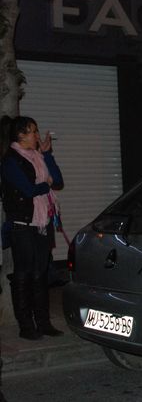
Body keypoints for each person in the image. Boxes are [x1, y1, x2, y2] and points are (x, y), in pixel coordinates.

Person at [0, 115, 64, 340]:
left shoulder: (39, 156)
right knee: (24, 275)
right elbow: (28, 190)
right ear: (21, 135)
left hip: (43, 223)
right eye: (33, 131)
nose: (38, 135)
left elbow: (57, 181)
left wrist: (47, 154)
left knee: (41, 274)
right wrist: (44, 184)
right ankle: (26, 326)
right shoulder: (11, 161)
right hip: (23, 225)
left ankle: (44, 323)